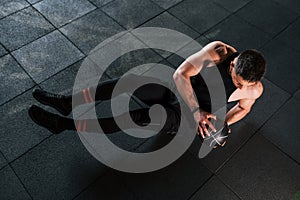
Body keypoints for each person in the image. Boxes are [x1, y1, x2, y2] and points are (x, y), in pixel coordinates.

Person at [28, 41, 266, 147]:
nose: (240, 86)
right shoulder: (219, 51)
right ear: (234, 63)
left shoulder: (253, 89)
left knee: (135, 118)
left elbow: (244, 108)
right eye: (236, 80)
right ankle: (67, 103)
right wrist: (196, 110)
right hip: (180, 92)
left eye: (244, 84)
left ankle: (63, 124)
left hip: (182, 116)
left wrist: (219, 125)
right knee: (128, 82)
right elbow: (180, 74)